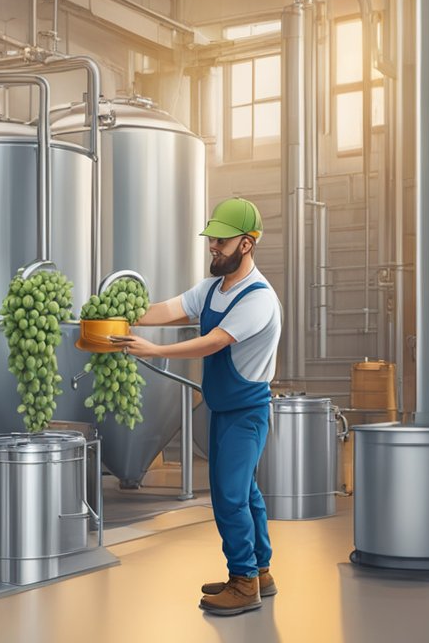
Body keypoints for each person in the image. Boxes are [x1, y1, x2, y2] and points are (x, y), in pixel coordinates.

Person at [110, 197, 282, 617]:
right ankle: (260, 572)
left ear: (247, 243)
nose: (213, 246)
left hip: (247, 413)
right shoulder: (211, 289)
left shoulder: (258, 298)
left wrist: (154, 350)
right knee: (247, 493)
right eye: (212, 239)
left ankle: (242, 584)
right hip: (221, 409)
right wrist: (118, 316)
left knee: (228, 495)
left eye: (222, 240)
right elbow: (169, 310)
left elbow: (215, 341)